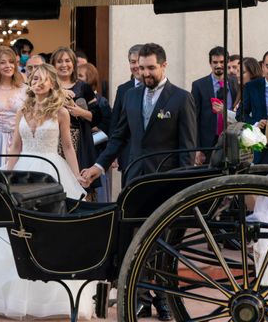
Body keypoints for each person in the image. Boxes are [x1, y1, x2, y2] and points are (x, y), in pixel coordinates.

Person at [0, 64, 94, 318]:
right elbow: (15, 145)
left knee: (47, 229)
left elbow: (67, 146)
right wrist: (6, 174)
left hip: (50, 170)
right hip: (23, 168)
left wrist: (77, 177)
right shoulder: (23, 109)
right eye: (34, 78)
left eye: (43, 79)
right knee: (9, 226)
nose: (38, 82)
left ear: (52, 84)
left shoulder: (60, 112)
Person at [81, 43, 197, 321]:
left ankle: (165, 299)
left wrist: (181, 189)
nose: (145, 72)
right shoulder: (131, 96)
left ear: (164, 66)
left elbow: (188, 149)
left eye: (150, 68)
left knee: (165, 244)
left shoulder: (181, 98)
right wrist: (99, 166)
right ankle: (141, 298)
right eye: (141, 67)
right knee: (135, 240)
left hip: (166, 183)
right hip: (134, 181)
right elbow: (119, 136)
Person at [51, 47, 101, 197]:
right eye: (59, 61)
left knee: (79, 181)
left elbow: (98, 117)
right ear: (53, 65)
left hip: (79, 141)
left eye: (67, 61)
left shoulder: (83, 87)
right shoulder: (48, 86)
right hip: (52, 140)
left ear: (73, 64)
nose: (64, 65)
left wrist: (80, 112)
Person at [191, 46, 238, 165]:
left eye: (222, 62)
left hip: (232, 139)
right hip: (207, 143)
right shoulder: (199, 85)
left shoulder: (235, 82)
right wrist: (197, 149)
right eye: (215, 62)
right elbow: (194, 118)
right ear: (210, 63)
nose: (218, 65)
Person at [78, 62, 112, 201]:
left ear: (89, 78)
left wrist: (89, 132)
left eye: (80, 76)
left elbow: (107, 129)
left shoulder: (100, 101)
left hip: (97, 152)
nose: (77, 79)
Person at [109, 44, 143, 177]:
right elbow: (115, 123)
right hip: (127, 153)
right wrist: (113, 153)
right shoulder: (123, 89)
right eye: (132, 62)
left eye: (138, 61)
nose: (135, 66)